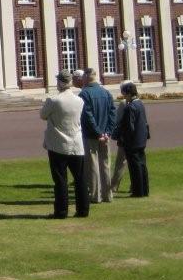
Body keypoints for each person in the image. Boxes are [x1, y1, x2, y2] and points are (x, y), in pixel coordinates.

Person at [40, 70, 89, 219]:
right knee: (80, 179)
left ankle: (61, 211)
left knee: (61, 180)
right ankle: (83, 210)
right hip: (76, 143)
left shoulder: (54, 100)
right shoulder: (79, 100)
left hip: (58, 144)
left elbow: (43, 115)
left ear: (61, 83)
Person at [79, 67, 116, 203]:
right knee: (105, 164)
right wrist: (108, 132)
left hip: (91, 135)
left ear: (87, 78)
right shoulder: (106, 93)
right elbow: (113, 113)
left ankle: (95, 195)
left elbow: (88, 116)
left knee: (93, 165)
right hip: (105, 135)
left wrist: (99, 132)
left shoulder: (84, 94)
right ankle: (108, 194)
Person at [116, 82, 150, 197]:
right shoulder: (140, 104)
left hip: (133, 141)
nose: (124, 96)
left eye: (125, 94)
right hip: (141, 139)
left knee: (135, 167)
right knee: (142, 165)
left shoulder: (130, 107)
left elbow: (129, 127)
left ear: (129, 94)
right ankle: (144, 190)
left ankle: (138, 191)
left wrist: (124, 139)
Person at [110, 97, 128, 196]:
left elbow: (118, 119)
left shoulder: (123, 103)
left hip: (124, 137)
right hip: (136, 138)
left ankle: (114, 186)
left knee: (120, 162)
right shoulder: (139, 102)